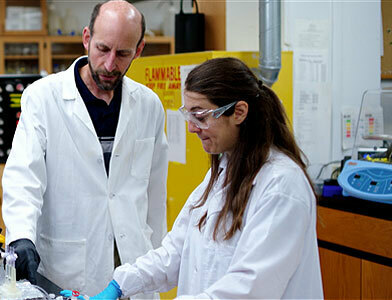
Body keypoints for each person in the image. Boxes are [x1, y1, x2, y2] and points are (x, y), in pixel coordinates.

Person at [84, 57, 324, 299]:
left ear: (239, 112)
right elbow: (176, 251)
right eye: (188, 115)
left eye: (200, 116)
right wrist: (120, 285)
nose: (191, 128)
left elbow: (250, 287)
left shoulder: (282, 186)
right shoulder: (222, 171)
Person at [1, 0, 168, 296]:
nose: (109, 64)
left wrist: (159, 264)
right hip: (70, 266)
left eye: (123, 54)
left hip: (133, 261)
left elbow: (155, 196)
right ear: (87, 38)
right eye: (103, 49)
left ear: (139, 50)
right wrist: (21, 236)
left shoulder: (149, 105)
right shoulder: (43, 97)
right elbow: (24, 177)